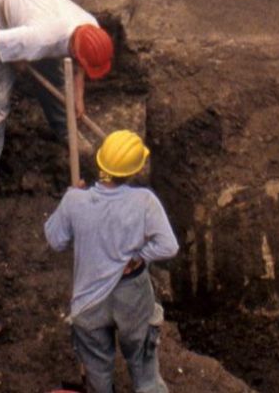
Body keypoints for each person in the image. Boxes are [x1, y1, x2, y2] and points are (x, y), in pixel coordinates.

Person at [44, 130, 180, 393]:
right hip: (133, 296)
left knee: (98, 373)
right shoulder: (144, 202)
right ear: (134, 170)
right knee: (144, 367)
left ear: (100, 161)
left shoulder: (75, 200)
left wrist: (70, 200)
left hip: (88, 299)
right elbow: (168, 246)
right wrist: (139, 256)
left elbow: (55, 240)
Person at [0, 0, 116, 209]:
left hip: (33, 5)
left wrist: (77, 98)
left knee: (54, 82)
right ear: (75, 49)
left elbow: (80, 67)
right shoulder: (38, 38)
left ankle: (66, 131)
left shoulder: (91, 27)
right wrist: (16, 56)